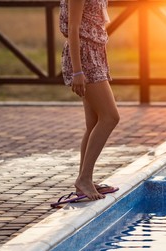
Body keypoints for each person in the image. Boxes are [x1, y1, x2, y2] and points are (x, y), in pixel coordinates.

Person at [59, 0, 119, 202]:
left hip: (96, 53)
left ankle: (85, 180)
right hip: (84, 57)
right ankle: (84, 178)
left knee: (93, 123)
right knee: (110, 117)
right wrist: (77, 71)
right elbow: (73, 28)